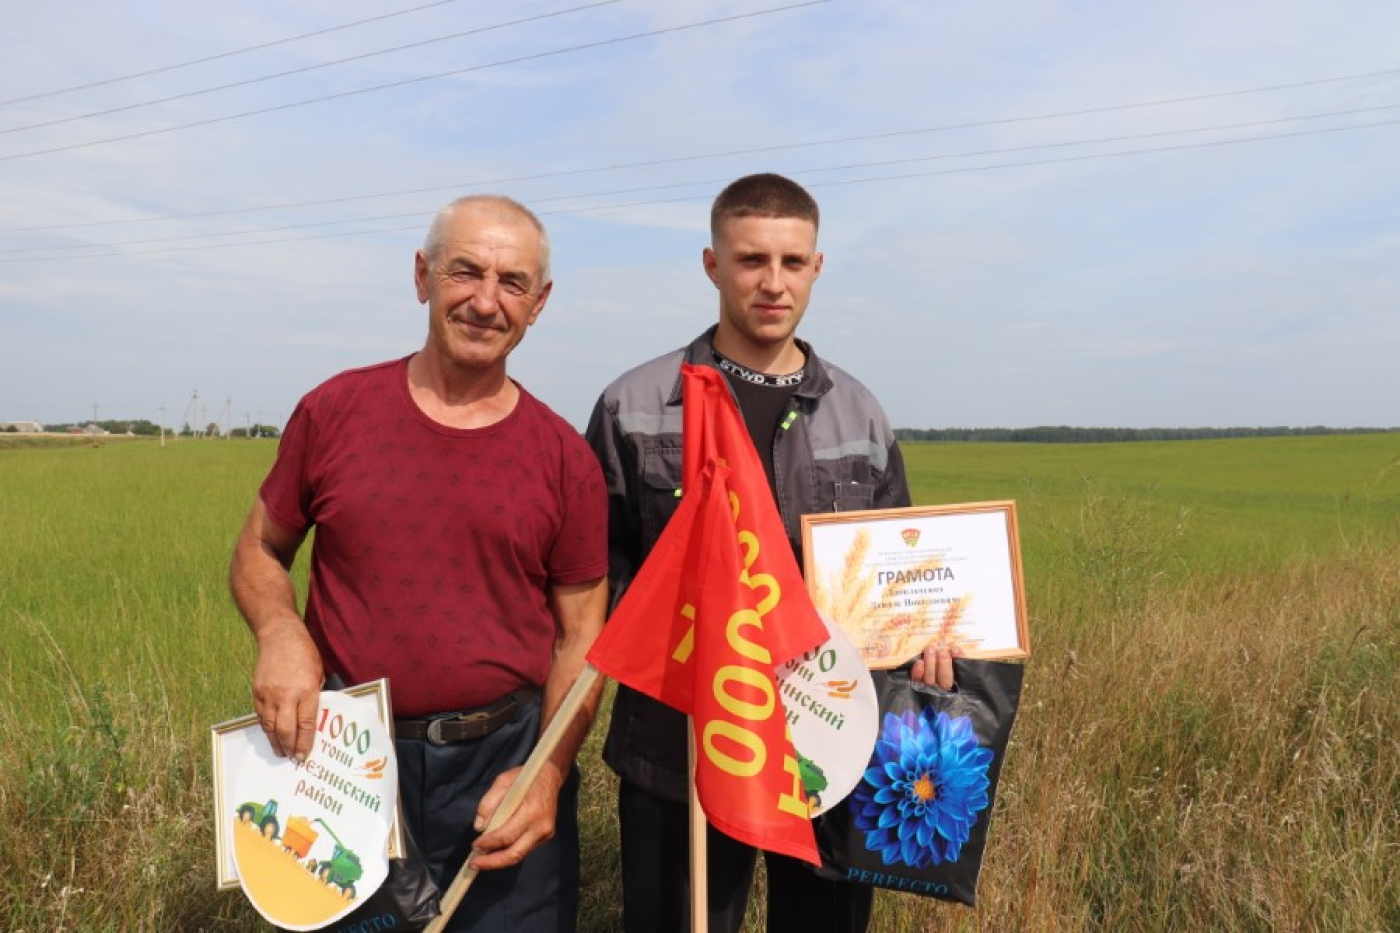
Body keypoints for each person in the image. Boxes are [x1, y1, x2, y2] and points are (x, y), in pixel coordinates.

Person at [586, 173, 958, 932]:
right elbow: (597, 574)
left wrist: (927, 638)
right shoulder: (636, 405)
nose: (773, 282)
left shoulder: (860, 412)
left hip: (832, 746)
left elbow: (897, 575)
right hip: (683, 745)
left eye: (792, 262)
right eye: (751, 259)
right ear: (712, 264)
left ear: (817, 266)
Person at [229, 195, 608, 932]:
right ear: (421, 276)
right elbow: (260, 547)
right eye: (465, 272)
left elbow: (582, 637)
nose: (486, 302)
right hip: (341, 767)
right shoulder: (335, 411)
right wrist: (279, 631)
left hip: (504, 771)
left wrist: (550, 771)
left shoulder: (565, 457)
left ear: (539, 304)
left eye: (513, 282)